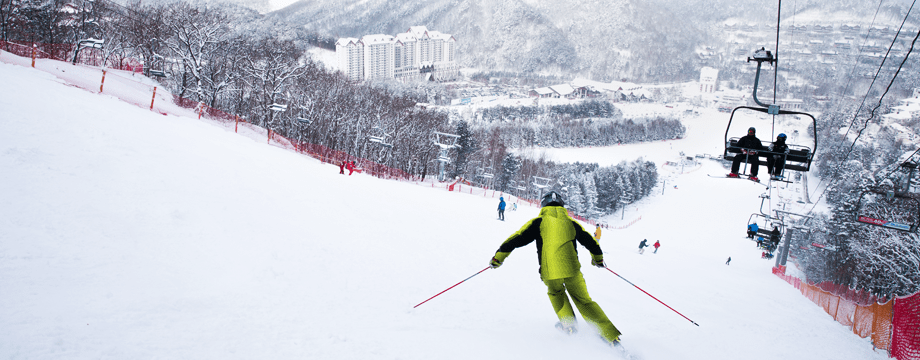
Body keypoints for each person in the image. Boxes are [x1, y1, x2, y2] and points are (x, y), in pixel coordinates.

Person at [488, 191, 622, 345]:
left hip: (550, 272)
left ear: (543, 204)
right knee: (584, 301)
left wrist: (498, 258)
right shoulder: (571, 223)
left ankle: (569, 326)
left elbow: (516, 239)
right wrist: (598, 260)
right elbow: (591, 242)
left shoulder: (538, 222)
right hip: (572, 270)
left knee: (556, 293)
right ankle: (610, 335)